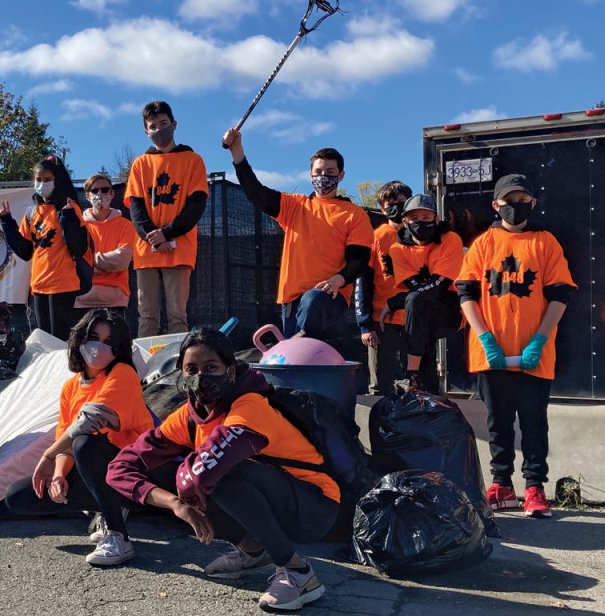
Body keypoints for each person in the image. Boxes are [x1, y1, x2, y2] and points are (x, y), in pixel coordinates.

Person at [107, 328, 339, 611]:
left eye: (211, 367)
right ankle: (253, 549)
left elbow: (204, 471)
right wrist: (174, 505)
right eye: (191, 369)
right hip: (267, 496)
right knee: (171, 474)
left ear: (230, 371)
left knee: (220, 474)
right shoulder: (188, 416)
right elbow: (120, 468)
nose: (200, 377)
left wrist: (185, 488)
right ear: (180, 373)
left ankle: (298, 573)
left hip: (314, 505)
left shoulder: (250, 404)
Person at [456, 174, 576, 519]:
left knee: (534, 421)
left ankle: (535, 487)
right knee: (498, 422)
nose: (515, 205)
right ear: (496, 205)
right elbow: (466, 294)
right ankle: (501, 485)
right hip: (492, 352)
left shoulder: (545, 242)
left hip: (533, 353)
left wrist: (539, 339)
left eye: (522, 198)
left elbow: (560, 295)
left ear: (533, 203)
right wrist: (484, 338)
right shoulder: (483, 244)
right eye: (509, 200)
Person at [3, 309, 153, 566]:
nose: (98, 347)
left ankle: (118, 536)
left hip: (137, 470)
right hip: (98, 470)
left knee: (86, 443)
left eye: (108, 342)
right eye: (94, 337)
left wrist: (48, 455)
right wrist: (59, 474)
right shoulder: (70, 386)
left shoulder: (123, 373)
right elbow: (65, 437)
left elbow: (89, 422)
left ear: (119, 349)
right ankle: (105, 506)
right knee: (18, 496)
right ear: (80, 338)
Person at [223, 128, 373, 340]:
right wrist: (236, 152)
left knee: (313, 307)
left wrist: (339, 280)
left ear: (341, 175)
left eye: (330, 172)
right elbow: (256, 192)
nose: (324, 177)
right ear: (310, 174)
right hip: (292, 302)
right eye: (318, 172)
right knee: (297, 363)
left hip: (329, 298)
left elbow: (359, 259)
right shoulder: (295, 206)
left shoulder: (354, 214)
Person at [126, 101, 208, 337]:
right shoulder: (140, 164)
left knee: (177, 314)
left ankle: (176, 367)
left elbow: (196, 205)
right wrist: (154, 238)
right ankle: (147, 369)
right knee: (147, 314)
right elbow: (136, 208)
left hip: (179, 248)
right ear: (146, 131)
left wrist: (168, 233)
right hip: (146, 252)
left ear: (174, 124)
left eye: (163, 124)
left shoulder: (193, 160)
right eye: (153, 126)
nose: (158, 130)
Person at [379, 194, 463, 390]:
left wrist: (394, 302)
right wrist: (403, 299)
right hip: (420, 314)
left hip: (450, 310)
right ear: (405, 221)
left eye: (426, 218)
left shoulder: (450, 239)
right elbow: (413, 285)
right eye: (415, 219)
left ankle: (410, 374)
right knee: (418, 316)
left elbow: (441, 285)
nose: (421, 223)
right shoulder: (398, 249)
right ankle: (423, 387)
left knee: (415, 301)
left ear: (436, 218)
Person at [1, 155, 88, 340]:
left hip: (63, 284)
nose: (42, 184)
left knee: (60, 341)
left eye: (47, 179)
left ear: (57, 180)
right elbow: (25, 252)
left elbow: (79, 247)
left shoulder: (70, 207)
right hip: (39, 285)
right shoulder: (31, 212)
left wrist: (68, 219)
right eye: (38, 180)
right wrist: (7, 223)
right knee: (43, 339)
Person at [355, 181, 412, 395]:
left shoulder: (421, 235)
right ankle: (379, 424)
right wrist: (365, 325)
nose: (396, 207)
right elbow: (363, 282)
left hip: (414, 320)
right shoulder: (376, 237)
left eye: (401, 202)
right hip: (382, 321)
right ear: (382, 209)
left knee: (417, 379)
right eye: (390, 203)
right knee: (379, 383)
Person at [75, 174, 138, 314]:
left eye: (105, 189)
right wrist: (105, 263)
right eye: (94, 190)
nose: (100, 194)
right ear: (87, 196)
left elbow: (122, 260)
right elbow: (72, 261)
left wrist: (87, 263)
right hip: (80, 298)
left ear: (112, 193)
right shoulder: (78, 225)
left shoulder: (126, 225)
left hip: (115, 298)